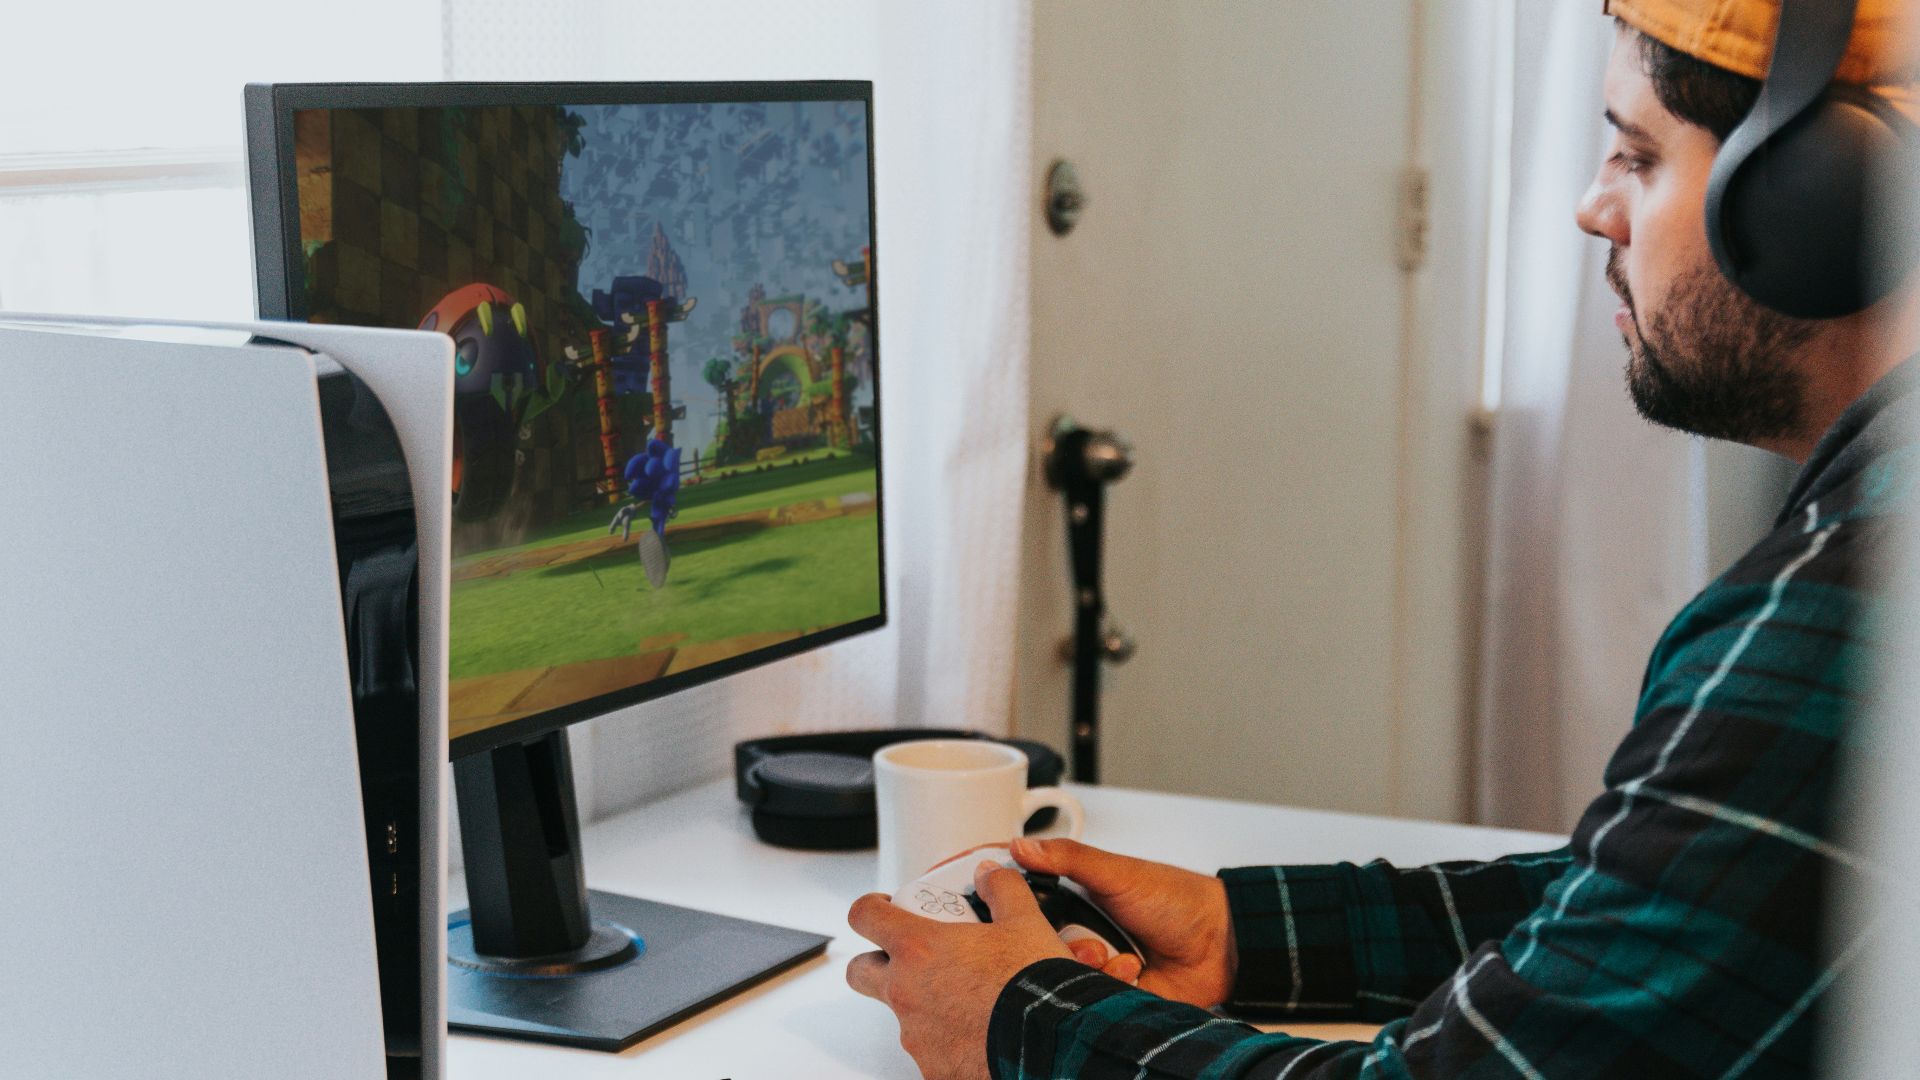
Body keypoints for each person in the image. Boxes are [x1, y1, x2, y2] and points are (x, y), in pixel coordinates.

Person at [845, 1, 1920, 1077]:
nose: (1595, 207)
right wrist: (1241, 931)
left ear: (1823, 203)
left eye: (1638, 156)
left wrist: (1022, 1019)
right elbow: (1662, 912)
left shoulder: (1844, 605)